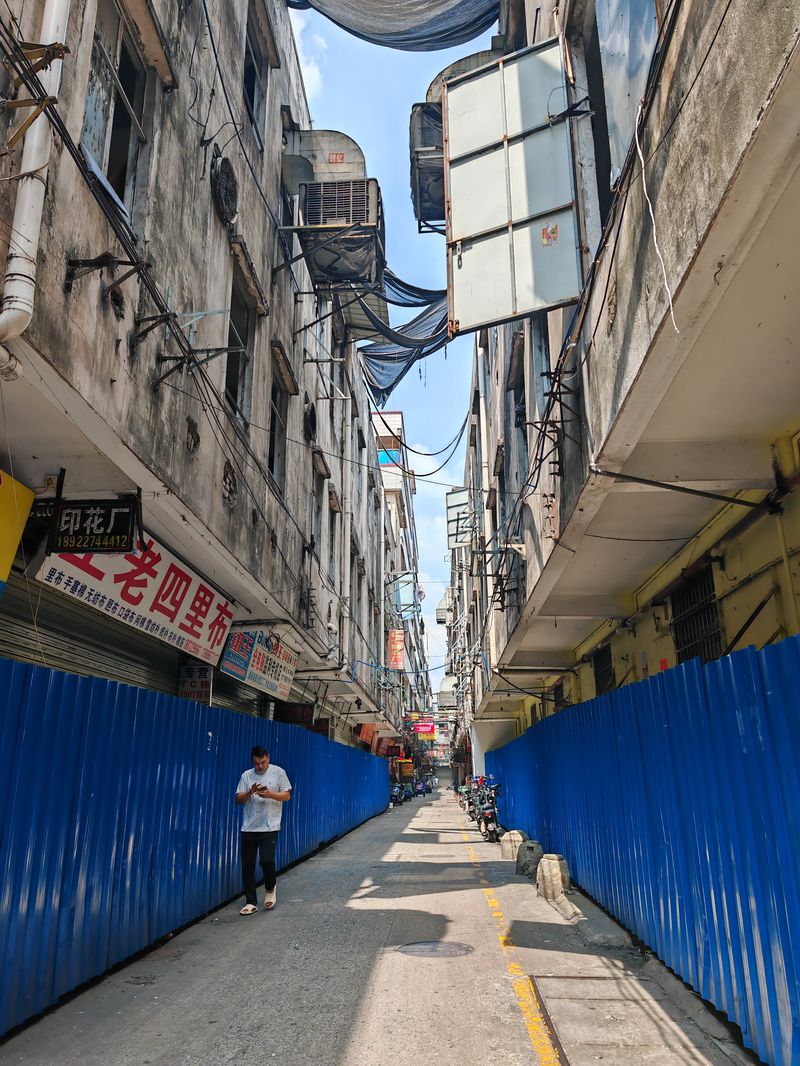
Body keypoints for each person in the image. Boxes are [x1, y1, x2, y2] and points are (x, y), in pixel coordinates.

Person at [235, 745, 292, 915]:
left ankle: (270, 889)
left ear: (269, 758)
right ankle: (251, 901)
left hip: (270, 825)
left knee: (266, 860)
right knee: (247, 865)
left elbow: (287, 795)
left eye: (263, 762)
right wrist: (249, 792)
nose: (260, 766)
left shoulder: (278, 772)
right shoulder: (247, 775)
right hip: (249, 826)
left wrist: (269, 794)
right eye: (257, 763)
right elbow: (238, 799)